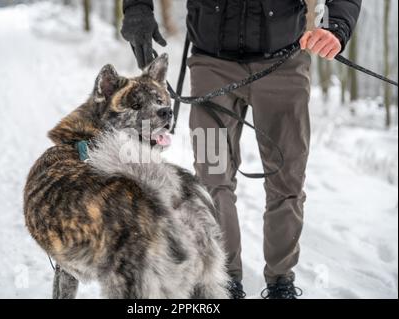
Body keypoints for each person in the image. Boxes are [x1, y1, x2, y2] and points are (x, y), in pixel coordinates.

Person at [121, 0, 361, 299]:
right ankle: (223, 281)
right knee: (211, 178)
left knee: (287, 181)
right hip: (210, 66)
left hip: (284, 63)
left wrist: (338, 26)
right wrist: (137, 9)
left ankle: (280, 283)